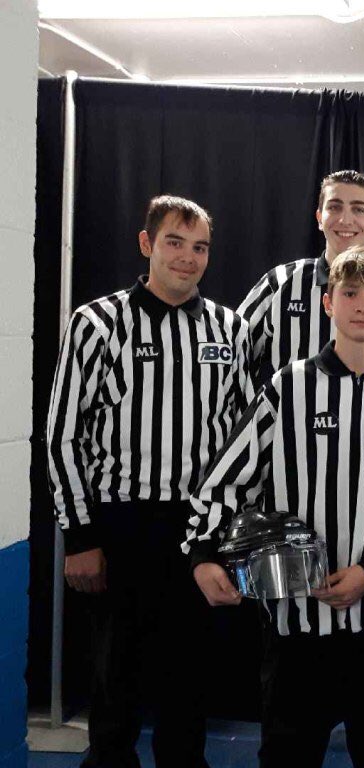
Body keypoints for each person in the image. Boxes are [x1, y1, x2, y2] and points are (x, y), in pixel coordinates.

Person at [184, 246, 364, 768]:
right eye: (350, 293)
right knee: (287, 753)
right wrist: (203, 551)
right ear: (328, 302)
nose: (363, 306)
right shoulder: (289, 386)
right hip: (296, 620)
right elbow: (229, 475)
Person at [46, 195, 253, 768]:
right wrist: (81, 536)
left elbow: (241, 439)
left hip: (197, 527)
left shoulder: (229, 328)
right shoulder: (96, 323)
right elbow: (64, 436)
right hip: (121, 522)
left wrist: (226, 531)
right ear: (147, 244)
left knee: (189, 671)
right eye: (174, 243)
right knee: (116, 673)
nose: (187, 258)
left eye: (200, 247)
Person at [238, 169, 364, 383]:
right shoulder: (280, 283)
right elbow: (234, 354)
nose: (345, 219)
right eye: (334, 207)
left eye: (358, 209)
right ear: (319, 217)